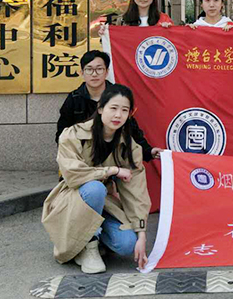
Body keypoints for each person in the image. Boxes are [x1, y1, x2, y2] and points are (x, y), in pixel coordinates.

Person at [43, 85, 152, 274]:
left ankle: (89, 237)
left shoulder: (129, 145)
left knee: (127, 244)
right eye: (113, 108)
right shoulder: (73, 135)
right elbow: (73, 175)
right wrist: (111, 170)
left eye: (124, 110)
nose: (118, 115)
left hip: (104, 203)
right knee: (95, 189)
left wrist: (141, 235)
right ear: (100, 108)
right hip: (73, 198)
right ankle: (88, 246)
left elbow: (137, 191)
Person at [55, 51, 162, 164]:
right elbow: (62, 133)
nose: (94, 74)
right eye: (89, 69)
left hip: (115, 156)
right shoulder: (74, 99)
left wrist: (148, 151)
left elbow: (131, 130)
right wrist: (71, 158)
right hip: (84, 158)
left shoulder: (118, 95)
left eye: (99, 69)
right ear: (82, 72)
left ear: (106, 72)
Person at [97, 0, 172, 37]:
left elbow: (172, 44)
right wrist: (105, 34)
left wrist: (169, 31)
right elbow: (118, 45)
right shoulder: (123, 21)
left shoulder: (164, 19)